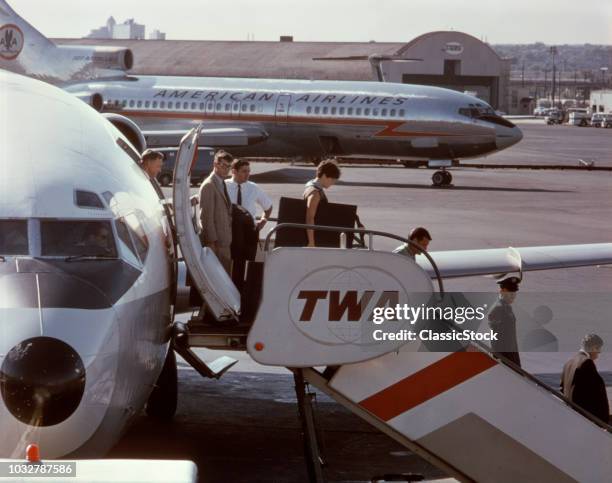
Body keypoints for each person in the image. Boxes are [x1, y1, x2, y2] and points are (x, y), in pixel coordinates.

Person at [225, 159, 273, 290]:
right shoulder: (224, 186)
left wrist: (263, 221)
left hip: (249, 233)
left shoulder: (253, 187)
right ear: (234, 171)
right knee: (231, 265)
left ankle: (242, 294)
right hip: (231, 231)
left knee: (246, 266)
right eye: (244, 171)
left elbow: (268, 206)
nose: (248, 174)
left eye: (249, 171)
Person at [561, 334, 609, 423]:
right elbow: (596, 394)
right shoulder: (587, 363)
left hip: (571, 416)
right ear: (594, 347)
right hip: (585, 419)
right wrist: (603, 421)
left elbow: (563, 388)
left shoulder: (568, 363)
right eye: (599, 349)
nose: (599, 352)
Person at [198, 150, 233, 273]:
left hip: (224, 242)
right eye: (223, 165)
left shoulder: (221, 183)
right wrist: (211, 243)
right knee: (218, 279)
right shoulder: (209, 185)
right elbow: (206, 218)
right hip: (216, 244)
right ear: (215, 164)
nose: (226, 169)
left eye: (229, 166)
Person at [303, 160, 341, 247]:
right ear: (324, 176)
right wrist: (311, 243)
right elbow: (309, 218)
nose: (333, 183)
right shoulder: (315, 193)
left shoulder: (311, 185)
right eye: (332, 180)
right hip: (316, 239)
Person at [488, 275, 521, 367]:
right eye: (510, 293)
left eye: (514, 293)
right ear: (502, 291)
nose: (513, 296)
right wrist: (499, 361)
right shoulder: (498, 308)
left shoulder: (506, 307)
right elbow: (495, 339)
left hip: (512, 355)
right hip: (505, 359)